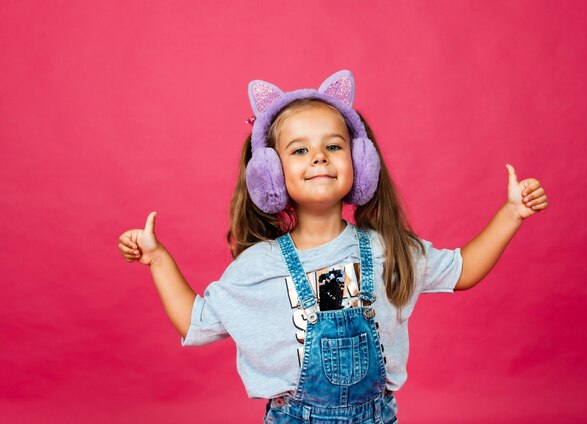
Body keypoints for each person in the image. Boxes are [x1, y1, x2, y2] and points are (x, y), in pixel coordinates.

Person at [117, 70, 548, 423]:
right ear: (269, 174)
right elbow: (196, 320)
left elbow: (463, 270)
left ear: (360, 163)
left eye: (334, 146)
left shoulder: (386, 249)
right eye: (300, 149)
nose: (320, 157)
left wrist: (511, 214)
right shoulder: (259, 265)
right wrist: (157, 259)